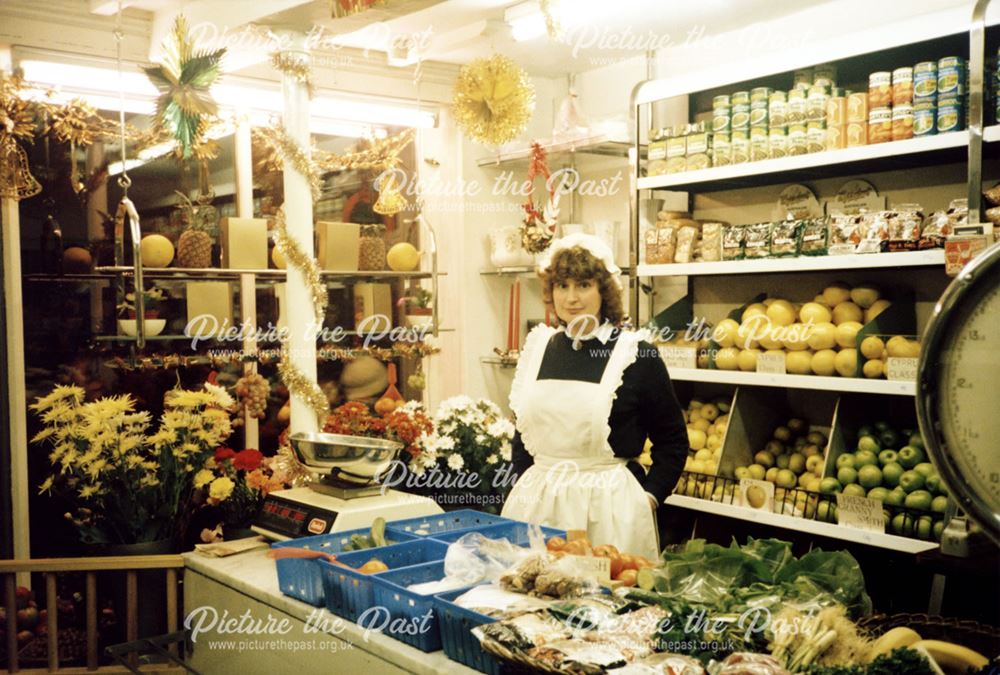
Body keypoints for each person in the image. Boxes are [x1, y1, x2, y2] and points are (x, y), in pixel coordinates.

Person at [500, 234, 689, 560]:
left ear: (605, 290)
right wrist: (522, 486)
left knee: (608, 602)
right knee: (531, 598)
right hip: (537, 506)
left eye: (584, 285)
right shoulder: (538, 348)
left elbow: (672, 440)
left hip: (610, 511)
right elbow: (525, 436)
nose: (571, 298)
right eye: (562, 286)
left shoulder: (634, 355)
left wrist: (648, 498)